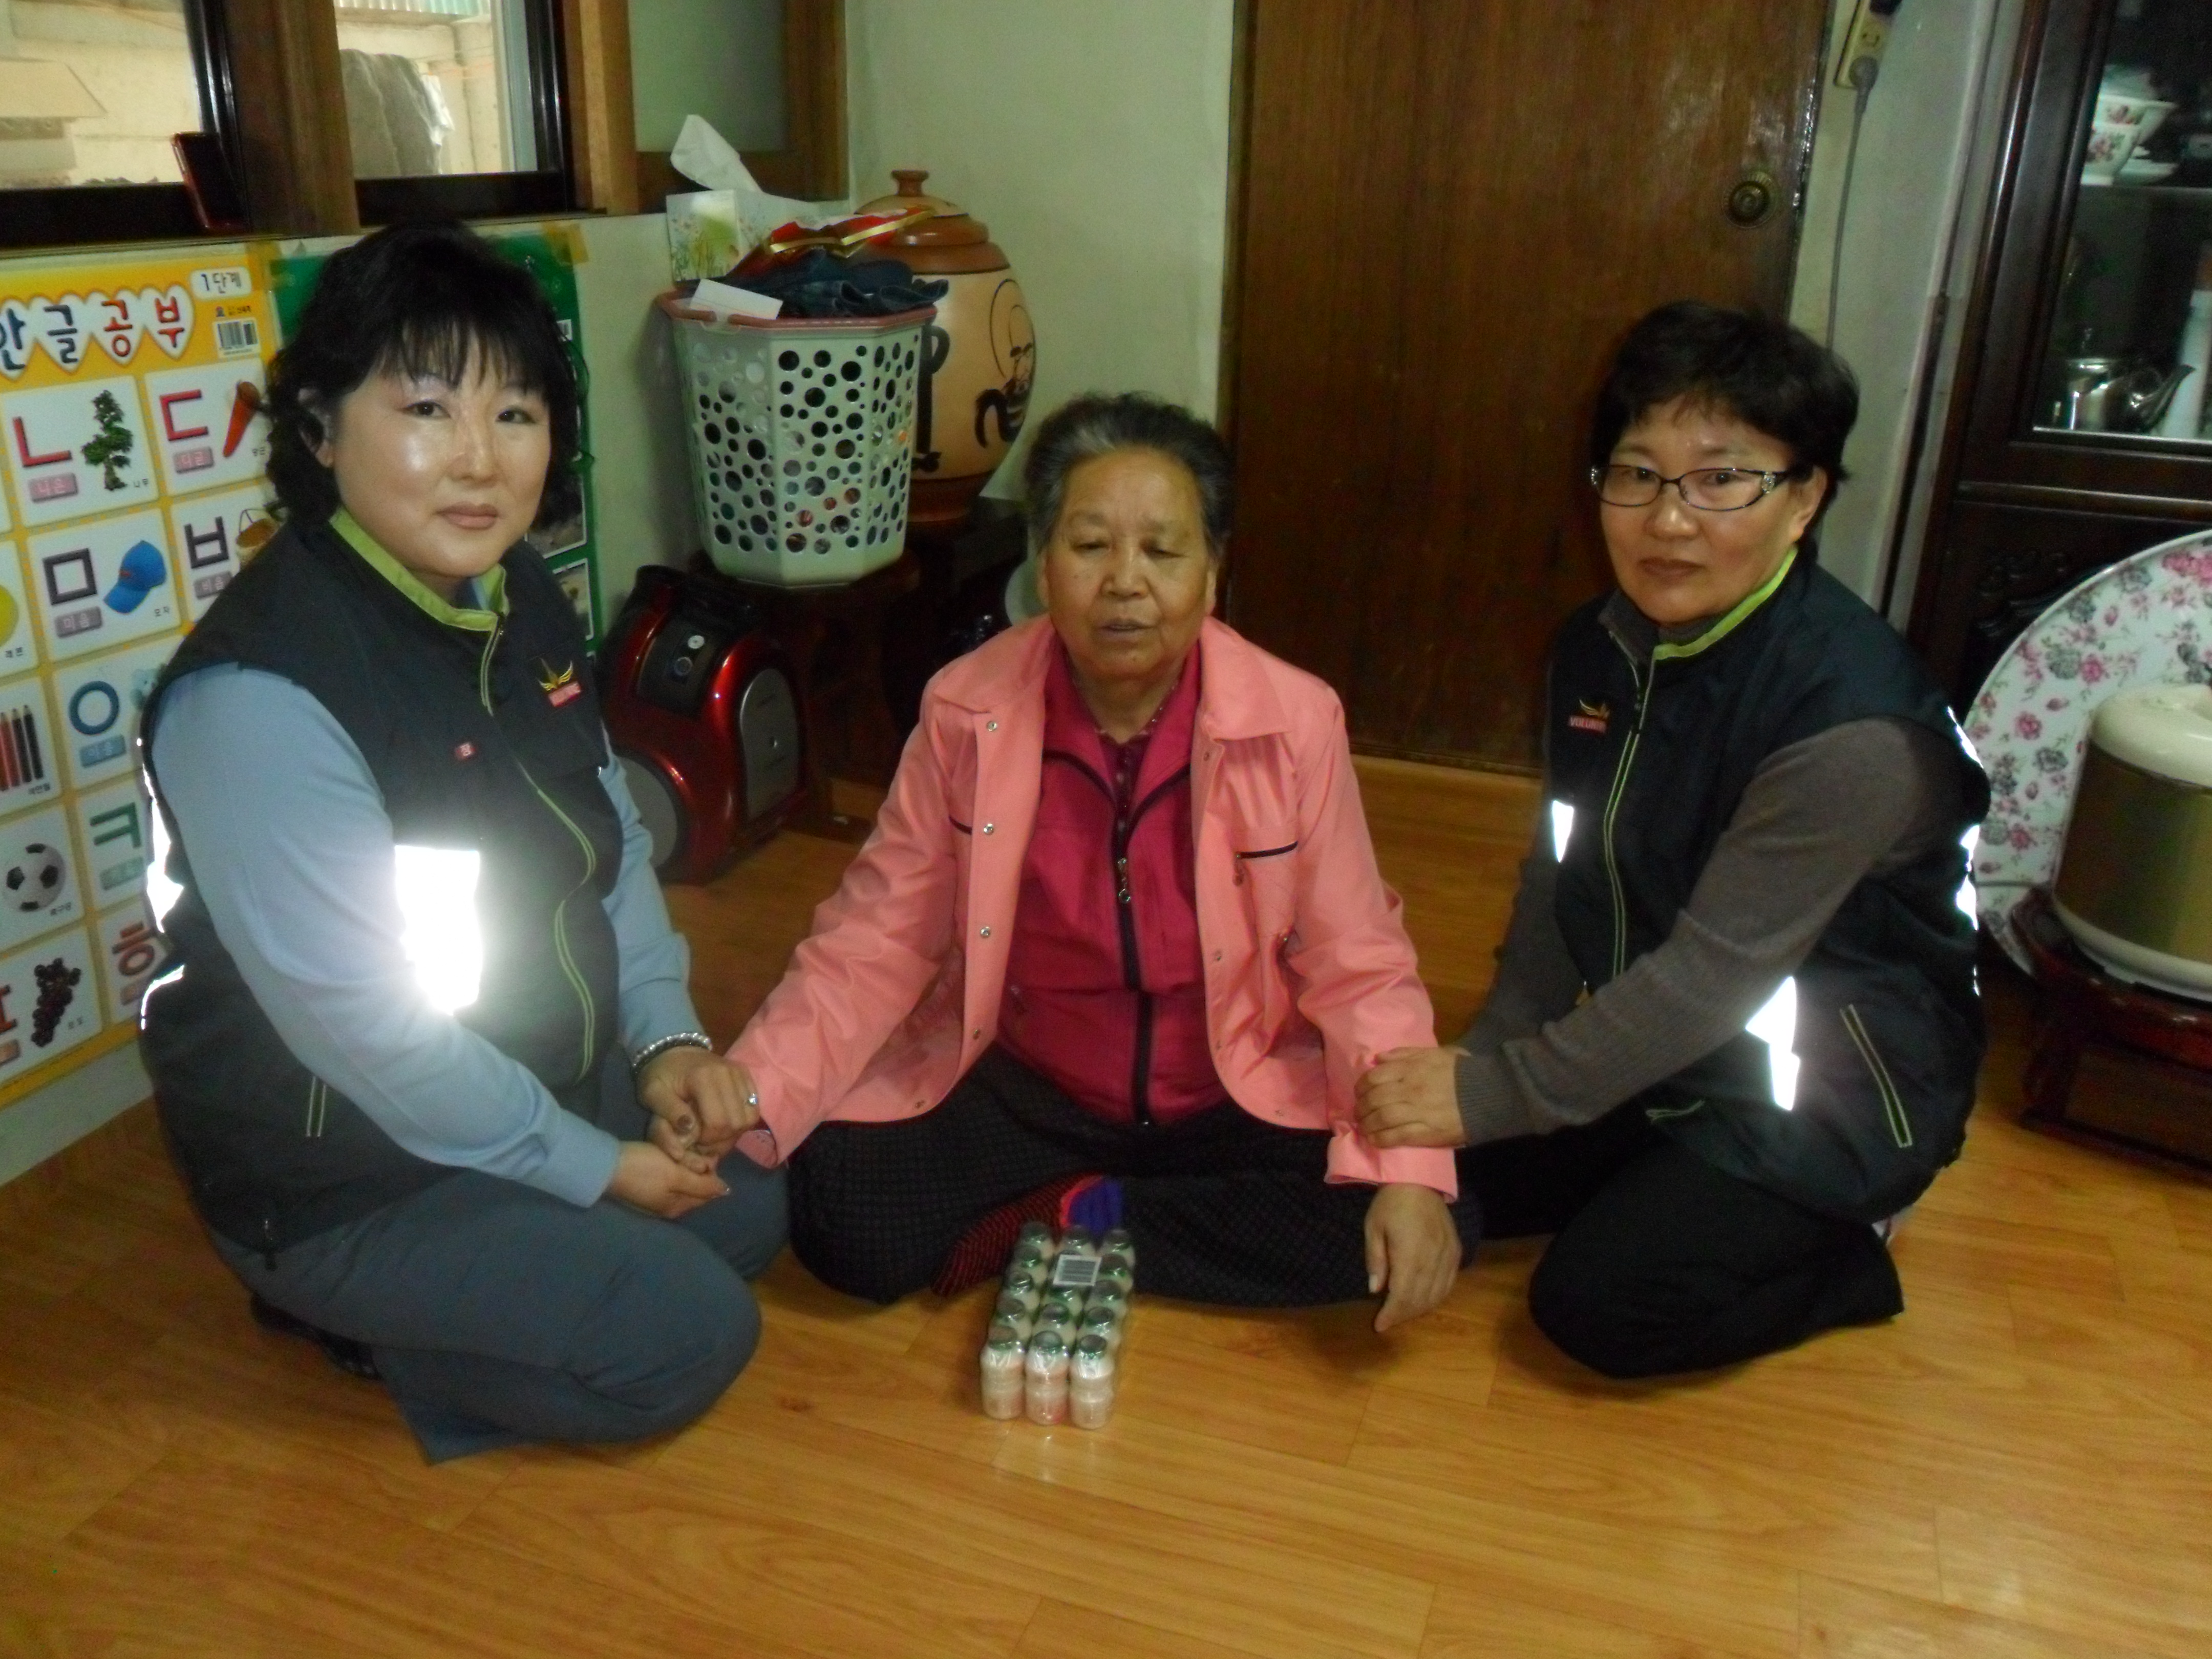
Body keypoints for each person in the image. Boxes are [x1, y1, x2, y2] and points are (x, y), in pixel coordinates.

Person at [138, 223, 785, 1461]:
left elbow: (607, 837)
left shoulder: (515, 592)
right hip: (341, 1161)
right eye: (427, 408)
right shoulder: (259, 697)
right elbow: (367, 1029)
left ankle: (516, 1250)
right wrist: (592, 1168)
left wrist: (666, 1039)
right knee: (687, 1337)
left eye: (517, 413)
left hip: (517, 1066)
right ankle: (345, 1320)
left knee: (751, 1204)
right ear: (321, 430)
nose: (479, 459)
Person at [701, 393, 1473, 1331]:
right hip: (1037, 1089)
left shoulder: (1294, 720)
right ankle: (1118, 1212)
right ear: (1044, 566)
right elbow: (876, 940)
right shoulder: (967, 710)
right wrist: (753, 1086)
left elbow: (1358, 962)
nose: (1125, 582)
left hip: (1226, 1087)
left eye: (1163, 550)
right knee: (845, 1220)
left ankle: (1075, 1214)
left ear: (1213, 573)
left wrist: (1405, 1174)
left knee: (1424, 1211)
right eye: (1092, 544)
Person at [1356, 302, 1988, 1379]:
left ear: (1805, 499)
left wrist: (1496, 1097)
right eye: (1637, 474)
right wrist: (1487, 1058)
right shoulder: (1598, 650)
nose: (1669, 520)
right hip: (1672, 1052)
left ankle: (1856, 1247)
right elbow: (1560, 873)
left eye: (1722, 479)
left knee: (1599, 1308)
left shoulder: (1852, 730)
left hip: (1829, 1095)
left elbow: (1712, 976)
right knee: (1414, 1170)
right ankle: (1649, 1166)